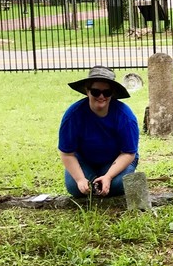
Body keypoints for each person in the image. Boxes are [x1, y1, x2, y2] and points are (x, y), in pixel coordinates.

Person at [58, 66, 139, 198]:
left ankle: (103, 180)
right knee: (75, 188)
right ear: (87, 91)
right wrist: (79, 179)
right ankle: (93, 181)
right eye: (96, 92)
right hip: (85, 160)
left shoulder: (125, 116)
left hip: (117, 159)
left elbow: (129, 153)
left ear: (112, 94)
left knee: (117, 184)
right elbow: (67, 153)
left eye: (106, 93)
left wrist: (108, 177)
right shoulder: (73, 115)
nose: (101, 96)